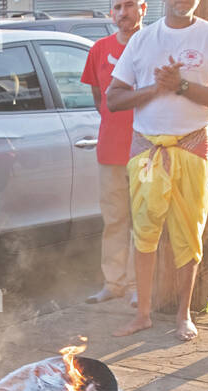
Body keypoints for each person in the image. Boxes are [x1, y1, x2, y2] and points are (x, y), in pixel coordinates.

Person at [107, 0, 208, 341]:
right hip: (147, 150)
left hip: (192, 145)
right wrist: (157, 88)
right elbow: (113, 98)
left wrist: (182, 86)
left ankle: (184, 315)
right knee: (144, 231)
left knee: (189, 233)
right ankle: (142, 314)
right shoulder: (143, 39)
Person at [81, 0, 146, 307]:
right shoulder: (99, 49)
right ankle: (114, 283)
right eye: (118, 7)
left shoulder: (153, 43)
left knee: (145, 221)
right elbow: (99, 97)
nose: (124, 13)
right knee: (115, 220)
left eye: (130, 5)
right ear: (111, 13)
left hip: (147, 149)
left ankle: (140, 285)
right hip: (110, 150)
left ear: (143, 8)